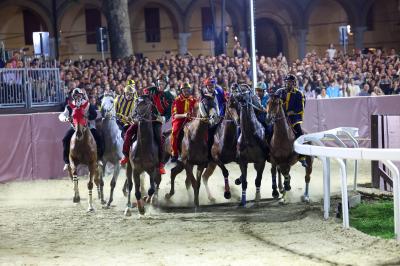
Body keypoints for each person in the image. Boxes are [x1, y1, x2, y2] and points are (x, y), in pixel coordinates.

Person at [59, 88, 103, 171]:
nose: (78, 97)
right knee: (65, 139)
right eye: (76, 96)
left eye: (79, 95)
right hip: (74, 127)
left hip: (87, 126)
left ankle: (99, 158)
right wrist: (66, 119)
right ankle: (67, 162)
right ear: (73, 96)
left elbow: (94, 115)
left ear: (82, 96)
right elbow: (61, 116)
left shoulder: (87, 105)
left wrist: (87, 117)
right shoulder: (69, 106)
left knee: (98, 137)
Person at [280, 74, 307, 167]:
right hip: (281, 118)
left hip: (294, 119)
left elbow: (301, 108)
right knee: (271, 130)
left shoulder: (299, 94)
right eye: (287, 82)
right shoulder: (280, 92)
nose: (288, 84)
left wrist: (291, 112)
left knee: (299, 133)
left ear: (294, 83)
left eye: (290, 82)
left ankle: (302, 156)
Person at [170, 83, 197, 163]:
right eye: (184, 90)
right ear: (181, 91)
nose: (186, 92)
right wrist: (184, 115)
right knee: (174, 133)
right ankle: (174, 153)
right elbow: (175, 115)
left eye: (188, 90)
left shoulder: (194, 100)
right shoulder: (177, 100)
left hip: (191, 120)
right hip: (179, 120)